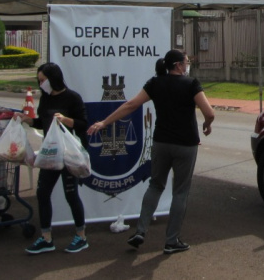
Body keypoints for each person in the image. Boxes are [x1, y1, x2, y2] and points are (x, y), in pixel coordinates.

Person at [88, 50, 215, 255]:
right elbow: (209, 112)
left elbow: (131, 105)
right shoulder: (191, 84)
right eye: (186, 62)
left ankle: (140, 230)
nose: (188, 65)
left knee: (155, 185)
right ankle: (171, 241)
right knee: (180, 192)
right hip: (186, 145)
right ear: (178, 65)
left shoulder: (155, 83)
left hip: (161, 143)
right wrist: (207, 125)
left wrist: (104, 122)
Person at [18, 62, 89, 255]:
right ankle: (46, 237)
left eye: (44, 80)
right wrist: (30, 121)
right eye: (39, 81)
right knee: (42, 193)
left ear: (53, 79)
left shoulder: (73, 98)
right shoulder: (46, 99)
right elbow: (43, 122)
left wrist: (66, 120)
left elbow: (83, 124)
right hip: (50, 153)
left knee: (71, 194)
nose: (41, 84)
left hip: (67, 153)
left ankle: (81, 236)